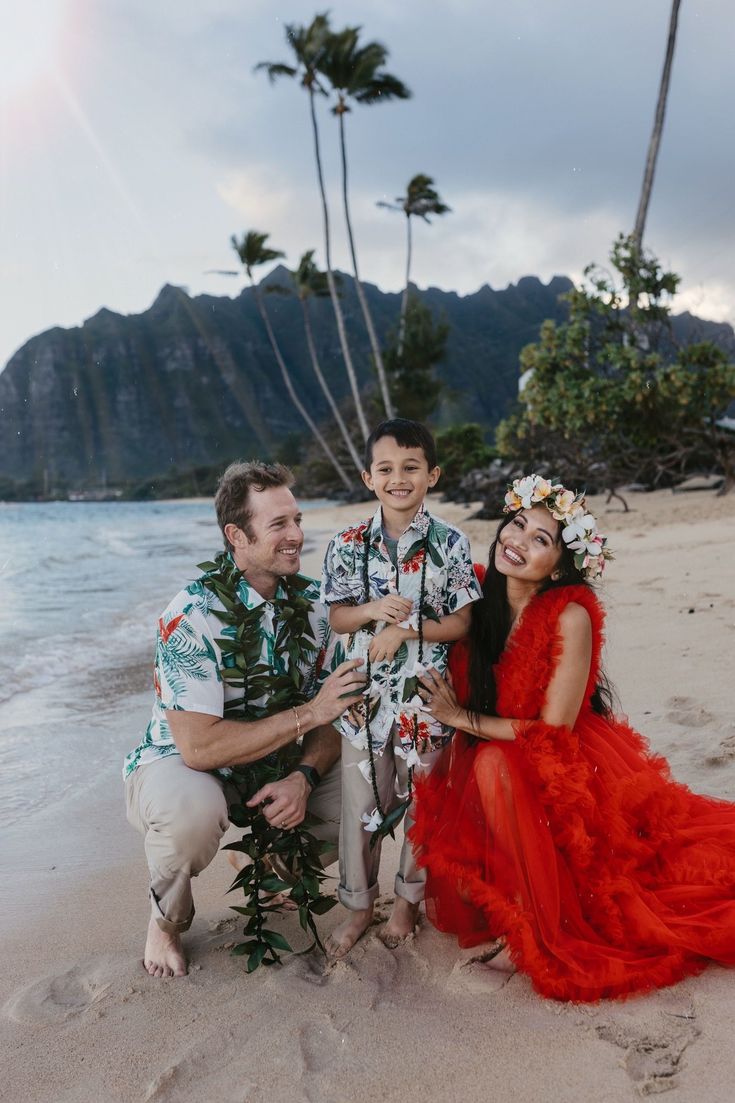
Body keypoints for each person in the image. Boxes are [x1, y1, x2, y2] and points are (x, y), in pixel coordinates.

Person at [410, 473, 735, 1001]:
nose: (517, 541)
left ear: (559, 565)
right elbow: (404, 580)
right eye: (517, 525)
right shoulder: (474, 592)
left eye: (541, 539)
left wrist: (458, 716)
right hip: (495, 755)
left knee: (494, 766)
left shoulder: (570, 613)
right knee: (484, 766)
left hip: (559, 763)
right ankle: (516, 896)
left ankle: (541, 930)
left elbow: (553, 730)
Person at [124, 461, 366, 978]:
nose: (297, 535)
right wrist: (309, 713)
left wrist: (304, 777)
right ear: (237, 535)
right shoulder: (191, 615)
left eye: (297, 519)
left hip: (275, 765)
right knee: (191, 814)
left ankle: (274, 872)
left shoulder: (316, 606)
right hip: (181, 767)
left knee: (366, 786)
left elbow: (330, 711)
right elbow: (199, 749)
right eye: (279, 524)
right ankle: (165, 920)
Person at [321, 419, 482, 957]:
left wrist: (404, 629)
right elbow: (339, 618)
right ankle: (358, 905)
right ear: (368, 477)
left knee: (422, 805)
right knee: (360, 806)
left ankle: (409, 901)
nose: (398, 478)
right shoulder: (347, 544)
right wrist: (370, 611)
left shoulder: (451, 543)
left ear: (431, 474)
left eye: (411, 467)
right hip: (363, 703)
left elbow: (461, 623)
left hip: (425, 699)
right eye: (385, 469)